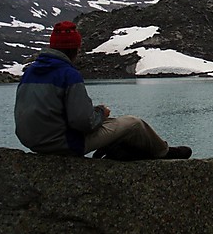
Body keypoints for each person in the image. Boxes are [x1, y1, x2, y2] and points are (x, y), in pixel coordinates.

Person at [14, 21, 191, 160]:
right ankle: (164, 152)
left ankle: (117, 146)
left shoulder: (30, 71)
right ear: (75, 49)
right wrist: (100, 112)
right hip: (62, 145)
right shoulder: (68, 74)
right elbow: (83, 122)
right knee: (134, 123)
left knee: (112, 122)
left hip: (34, 143)